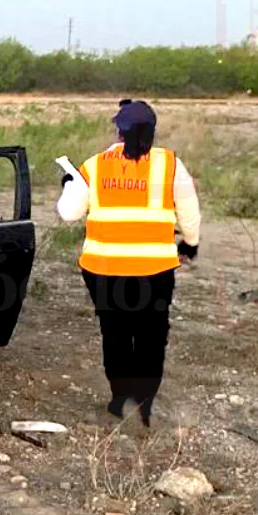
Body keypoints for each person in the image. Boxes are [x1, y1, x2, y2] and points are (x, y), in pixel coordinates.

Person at [56, 99, 202, 428]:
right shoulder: (171, 165)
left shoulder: (93, 166)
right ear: (152, 132)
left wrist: (69, 184)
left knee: (116, 332)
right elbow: (189, 213)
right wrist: (190, 244)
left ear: (118, 130)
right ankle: (145, 402)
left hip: (104, 270)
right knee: (152, 334)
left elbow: (68, 213)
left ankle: (118, 399)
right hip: (155, 271)